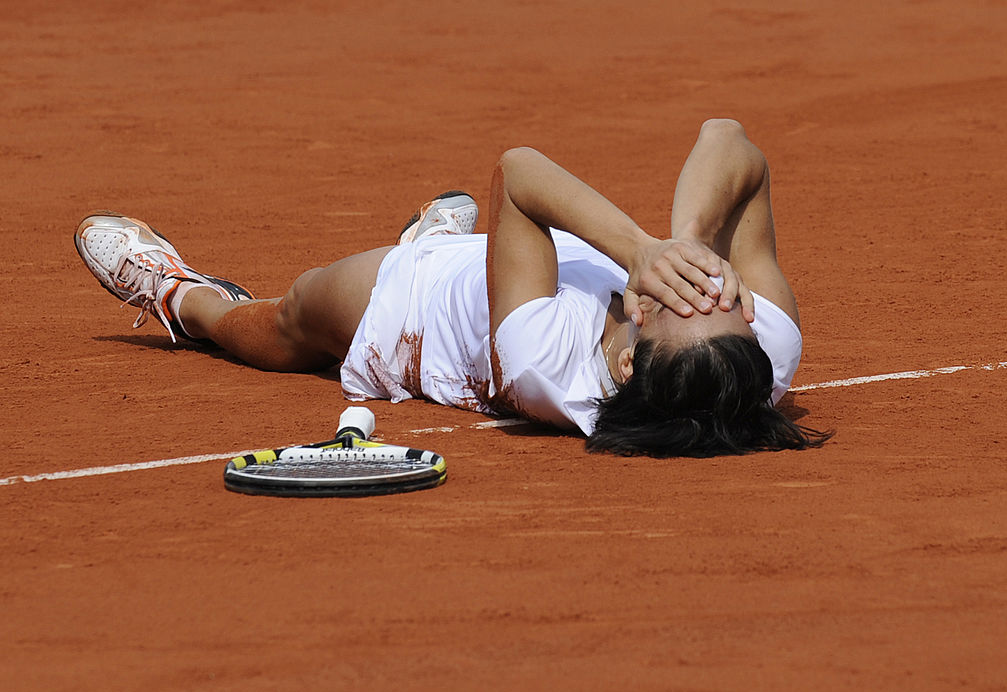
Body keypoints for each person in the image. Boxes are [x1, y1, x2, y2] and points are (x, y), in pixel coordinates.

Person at [74, 119, 830, 457]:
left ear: (629, 363)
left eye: (674, 303)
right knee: (510, 242)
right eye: (723, 296)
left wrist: (638, 250)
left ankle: (179, 294)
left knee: (287, 322)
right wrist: (691, 244)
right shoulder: (761, 350)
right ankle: (446, 235)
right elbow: (730, 139)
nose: (699, 288)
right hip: (535, 259)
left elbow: (518, 173)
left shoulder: (545, 367)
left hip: (419, 318)